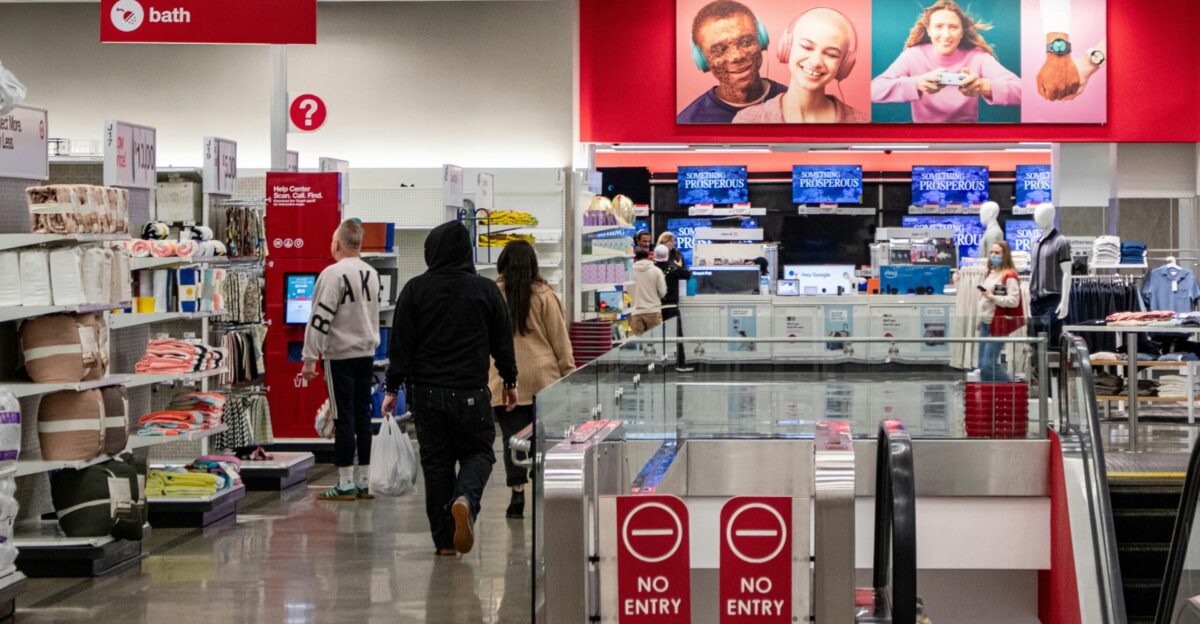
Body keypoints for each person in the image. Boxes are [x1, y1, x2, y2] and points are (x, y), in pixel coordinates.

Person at [381, 221, 518, 557]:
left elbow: (401, 344)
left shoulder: (414, 290)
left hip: (426, 395)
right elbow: (503, 341)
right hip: (471, 393)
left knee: (437, 465)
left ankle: (443, 542)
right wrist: (510, 381)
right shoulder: (485, 290)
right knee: (480, 454)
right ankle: (466, 499)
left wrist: (391, 388)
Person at [488, 241, 575, 519]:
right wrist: (568, 371)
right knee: (542, 437)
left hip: (503, 378)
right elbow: (559, 339)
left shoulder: (492, 294)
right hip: (542, 377)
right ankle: (542, 491)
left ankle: (517, 496)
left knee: (512, 439)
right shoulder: (544, 295)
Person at [300, 220, 383, 501]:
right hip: (367, 354)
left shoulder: (332, 274)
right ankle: (364, 481)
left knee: (342, 418)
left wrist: (310, 358)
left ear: (337, 243)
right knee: (363, 417)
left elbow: (319, 319)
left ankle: (345, 482)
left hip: (339, 357)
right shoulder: (372, 274)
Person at [871, 0, 1020, 123]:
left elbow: (1022, 91)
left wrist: (984, 86)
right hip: (923, 139)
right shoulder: (913, 55)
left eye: (953, 27)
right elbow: (874, 90)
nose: (946, 34)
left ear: (962, 32)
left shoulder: (978, 57)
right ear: (929, 30)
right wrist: (916, 84)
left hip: (967, 140)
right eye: (938, 27)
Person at [733, 7, 868, 123]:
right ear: (787, 48)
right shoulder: (747, 120)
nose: (816, 62)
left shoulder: (861, 123)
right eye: (806, 47)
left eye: (831, 54)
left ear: (844, 65)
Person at [677, 0, 788, 123]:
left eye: (745, 42)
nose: (736, 56)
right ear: (702, 60)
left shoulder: (795, 102)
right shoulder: (689, 122)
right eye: (719, 49)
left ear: (761, 40)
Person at [978, 241, 1022, 382]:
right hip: (986, 323)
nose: (993, 255)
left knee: (987, 365)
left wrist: (991, 296)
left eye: (997, 253)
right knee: (983, 365)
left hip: (997, 324)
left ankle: (1012, 391)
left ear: (1005, 255)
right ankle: (991, 398)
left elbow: (1013, 301)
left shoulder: (1009, 276)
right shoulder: (990, 273)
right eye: (991, 252)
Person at [654, 244, 693, 371]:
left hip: (656, 308)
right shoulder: (673, 268)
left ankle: (658, 365)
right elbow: (687, 275)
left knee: (658, 338)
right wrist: (679, 265)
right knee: (677, 337)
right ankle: (680, 364)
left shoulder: (652, 269)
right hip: (671, 307)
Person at [628, 248, 667, 335]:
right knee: (656, 345)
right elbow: (662, 292)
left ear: (635, 258)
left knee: (639, 346)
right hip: (653, 312)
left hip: (635, 313)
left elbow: (625, 292)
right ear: (649, 257)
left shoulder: (629, 272)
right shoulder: (656, 271)